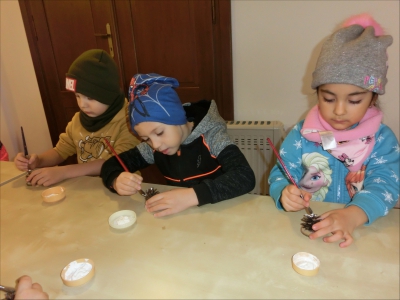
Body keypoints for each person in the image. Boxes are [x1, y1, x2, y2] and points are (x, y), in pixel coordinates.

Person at [268, 14, 399, 248]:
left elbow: (386, 185)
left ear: (372, 97)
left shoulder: (382, 140)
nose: (339, 111)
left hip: (360, 235)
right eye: (328, 98)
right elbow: (281, 172)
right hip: (305, 234)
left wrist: (353, 215)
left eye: (354, 100)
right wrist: (282, 192)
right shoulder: (302, 133)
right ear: (318, 93)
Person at [101, 73, 255, 217]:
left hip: (221, 214)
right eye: (146, 138)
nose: (155, 145)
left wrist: (192, 196)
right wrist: (115, 180)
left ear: (178, 118)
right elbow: (110, 165)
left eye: (160, 132)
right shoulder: (154, 147)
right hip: (183, 219)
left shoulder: (212, 137)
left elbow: (244, 176)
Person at [14, 49, 140, 186]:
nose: (82, 105)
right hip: (87, 190)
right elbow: (60, 151)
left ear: (108, 95)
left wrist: (64, 172)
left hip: (121, 190)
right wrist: (38, 161)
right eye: (77, 96)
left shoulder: (129, 120)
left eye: (90, 98)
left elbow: (116, 161)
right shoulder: (78, 120)